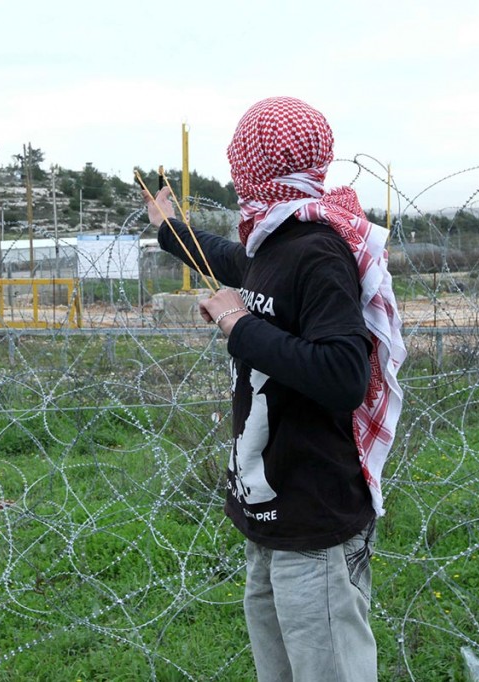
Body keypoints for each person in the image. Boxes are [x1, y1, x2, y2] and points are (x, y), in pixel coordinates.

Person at [145, 96, 405, 682]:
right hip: (268, 506)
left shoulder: (316, 251)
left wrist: (240, 326)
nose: (238, 177)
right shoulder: (272, 245)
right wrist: (169, 230)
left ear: (255, 165)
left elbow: (343, 375)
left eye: (241, 163)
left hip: (311, 512)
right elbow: (229, 259)